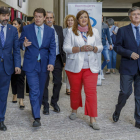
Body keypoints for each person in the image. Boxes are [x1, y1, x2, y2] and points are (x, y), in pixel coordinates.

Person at [63, 10, 103, 130]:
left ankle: (92, 118)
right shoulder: (71, 31)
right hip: (74, 67)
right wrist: (80, 48)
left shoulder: (94, 31)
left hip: (91, 67)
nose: (84, 19)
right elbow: (65, 48)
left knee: (91, 92)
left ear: (88, 19)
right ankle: (74, 110)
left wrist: (94, 48)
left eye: (85, 17)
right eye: (81, 17)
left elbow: (100, 46)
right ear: (77, 20)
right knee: (75, 90)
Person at [20, 8, 56, 127]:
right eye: (36, 16)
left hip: (44, 65)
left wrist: (51, 62)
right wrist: (23, 45)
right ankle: (37, 117)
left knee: (40, 90)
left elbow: (52, 49)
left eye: (40, 16)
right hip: (31, 64)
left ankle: (35, 108)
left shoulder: (50, 31)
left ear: (45, 17)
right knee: (34, 90)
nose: (37, 18)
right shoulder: (26, 28)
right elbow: (20, 42)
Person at [112, 7, 140, 129]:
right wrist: (129, 53)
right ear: (130, 17)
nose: (137, 16)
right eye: (134, 14)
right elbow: (117, 47)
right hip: (127, 66)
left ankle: (138, 120)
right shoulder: (123, 30)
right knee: (125, 92)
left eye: (139, 14)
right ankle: (118, 110)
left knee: (139, 96)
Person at [0, 7, 21, 131]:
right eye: (3, 15)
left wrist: (17, 65)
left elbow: (17, 49)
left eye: (7, 15)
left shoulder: (12, 30)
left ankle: (1, 119)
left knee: (3, 95)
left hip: (6, 67)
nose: (6, 18)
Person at [42, 11, 66, 115]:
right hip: (45, 59)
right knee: (44, 83)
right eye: (47, 18)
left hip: (57, 59)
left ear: (53, 19)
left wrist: (64, 59)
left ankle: (54, 102)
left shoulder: (59, 29)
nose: (49, 20)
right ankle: (45, 105)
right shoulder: (41, 29)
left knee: (58, 82)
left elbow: (62, 45)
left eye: (51, 17)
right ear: (44, 19)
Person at [11, 18, 25, 109]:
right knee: (13, 78)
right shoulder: (11, 33)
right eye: (12, 24)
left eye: (15, 24)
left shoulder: (23, 34)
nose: (13, 25)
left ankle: (21, 99)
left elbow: (22, 46)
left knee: (21, 79)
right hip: (12, 59)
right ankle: (14, 94)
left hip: (22, 59)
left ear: (19, 25)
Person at [63, 14, 76, 95]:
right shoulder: (63, 31)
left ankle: (73, 87)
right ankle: (68, 88)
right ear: (66, 22)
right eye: (68, 20)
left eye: (72, 20)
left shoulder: (77, 31)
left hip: (74, 53)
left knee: (74, 72)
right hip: (65, 54)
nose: (70, 22)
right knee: (68, 72)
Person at [101, 15, 112, 79]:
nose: (101, 19)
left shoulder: (105, 26)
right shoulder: (94, 25)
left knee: (107, 59)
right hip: (96, 45)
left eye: (102, 18)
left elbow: (108, 35)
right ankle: (98, 73)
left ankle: (101, 69)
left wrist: (110, 44)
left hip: (104, 45)